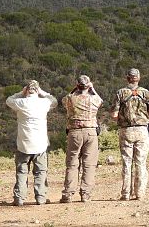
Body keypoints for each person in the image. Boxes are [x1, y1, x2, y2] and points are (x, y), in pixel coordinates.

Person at [6, 80, 57, 206]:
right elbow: (54, 101)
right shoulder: (44, 103)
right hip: (40, 144)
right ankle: (40, 198)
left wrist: (21, 93)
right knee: (40, 171)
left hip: (23, 143)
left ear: (27, 90)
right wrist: (42, 92)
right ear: (37, 90)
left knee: (21, 172)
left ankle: (19, 198)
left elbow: (9, 100)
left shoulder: (21, 102)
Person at [110, 68, 149, 201]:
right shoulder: (145, 93)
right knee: (140, 162)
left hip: (126, 131)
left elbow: (114, 115)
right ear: (138, 78)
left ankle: (125, 194)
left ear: (127, 78)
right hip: (142, 130)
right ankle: (140, 193)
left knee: (126, 162)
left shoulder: (120, 93)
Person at [60, 75, 103, 203]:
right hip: (90, 132)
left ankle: (68, 194)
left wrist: (75, 89)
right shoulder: (93, 99)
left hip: (74, 133)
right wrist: (92, 89)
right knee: (89, 164)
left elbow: (64, 100)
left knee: (72, 164)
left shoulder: (70, 99)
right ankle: (85, 194)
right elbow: (101, 101)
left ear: (77, 85)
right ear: (88, 85)